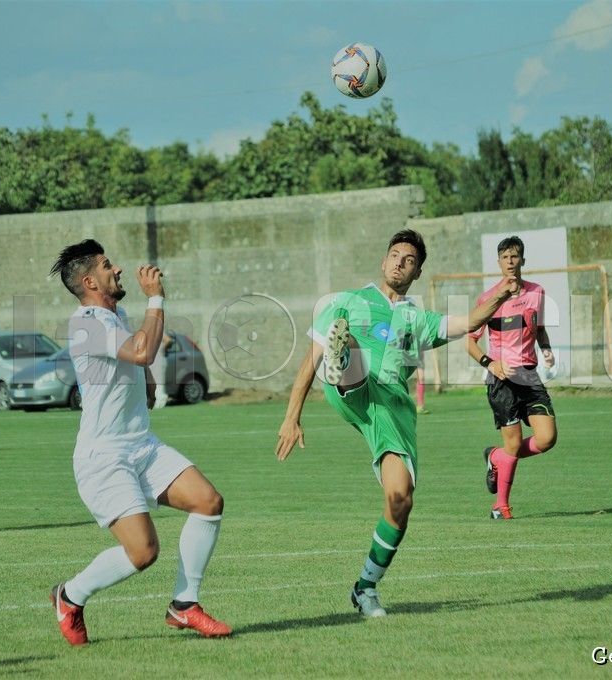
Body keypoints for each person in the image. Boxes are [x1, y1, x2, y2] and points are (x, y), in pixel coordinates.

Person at [275, 229, 515, 618]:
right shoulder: (346, 302)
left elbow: (471, 320)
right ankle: (345, 360)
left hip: (390, 410)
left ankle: (365, 587)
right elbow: (308, 360)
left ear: (417, 273)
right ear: (383, 260)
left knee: (400, 500)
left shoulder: (418, 319)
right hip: (354, 390)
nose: (400, 263)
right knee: (348, 350)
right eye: (395, 255)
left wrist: (501, 295)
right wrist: (292, 417)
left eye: (409, 261)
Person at [48, 239, 230, 646]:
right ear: (90, 280)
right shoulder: (86, 323)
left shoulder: (117, 313)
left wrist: (145, 383)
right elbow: (144, 351)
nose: (118, 269)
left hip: (141, 444)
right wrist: (157, 299)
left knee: (208, 502)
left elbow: (137, 359)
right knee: (144, 553)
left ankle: (184, 604)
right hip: (104, 457)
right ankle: (70, 595)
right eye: (108, 264)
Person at [466, 236, 558, 521]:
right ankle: (500, 505)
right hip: (502, 381)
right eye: (505, 257)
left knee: (547, 438)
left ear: (522, 261)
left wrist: (546, 350)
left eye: (514, 257)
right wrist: (490, 363)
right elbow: (469, 342)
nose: (510, 262)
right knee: (515, 443)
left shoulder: (536, 292)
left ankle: (497, 457)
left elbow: (538, 327)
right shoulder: (488, 299)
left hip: (529, 377)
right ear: (498, 263)